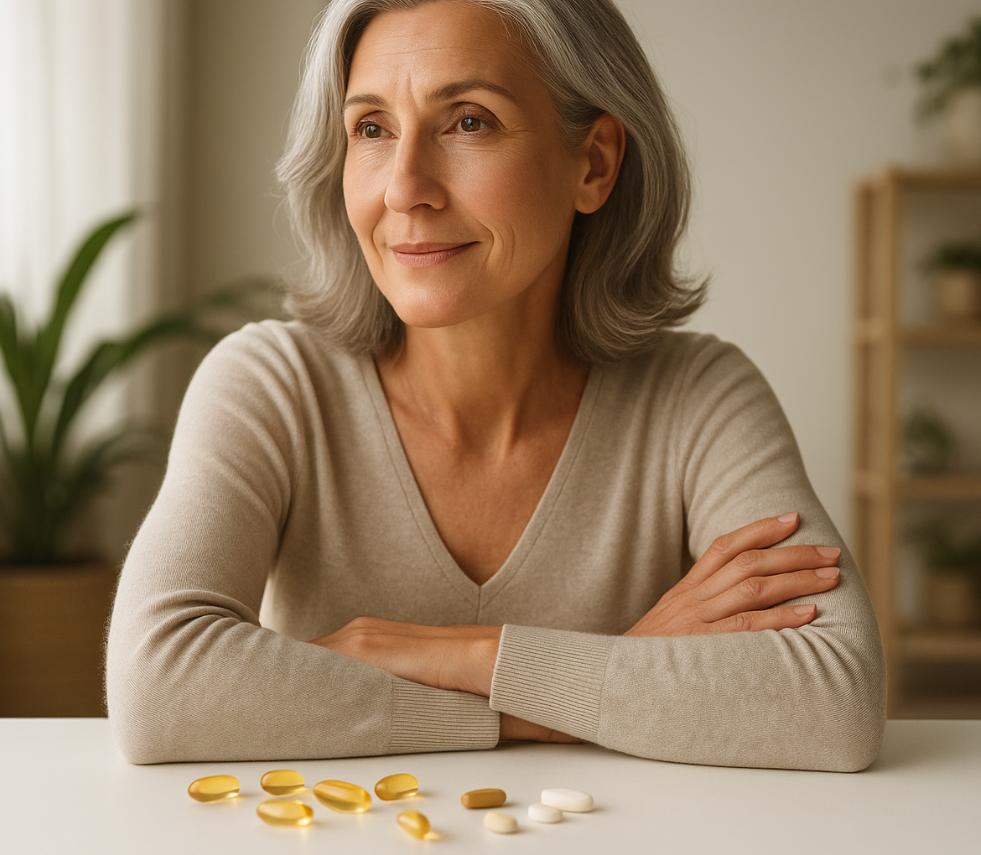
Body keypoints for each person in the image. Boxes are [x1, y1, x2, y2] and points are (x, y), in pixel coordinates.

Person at [104, 0, 885, 771]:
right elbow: (157, 689)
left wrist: (440, 653)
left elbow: (832, 700)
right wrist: (586, 683)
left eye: (468, 121)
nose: (406, 186)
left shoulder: (698, 396)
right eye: (371, 129)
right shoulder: (272, 384)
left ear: (593, 163)